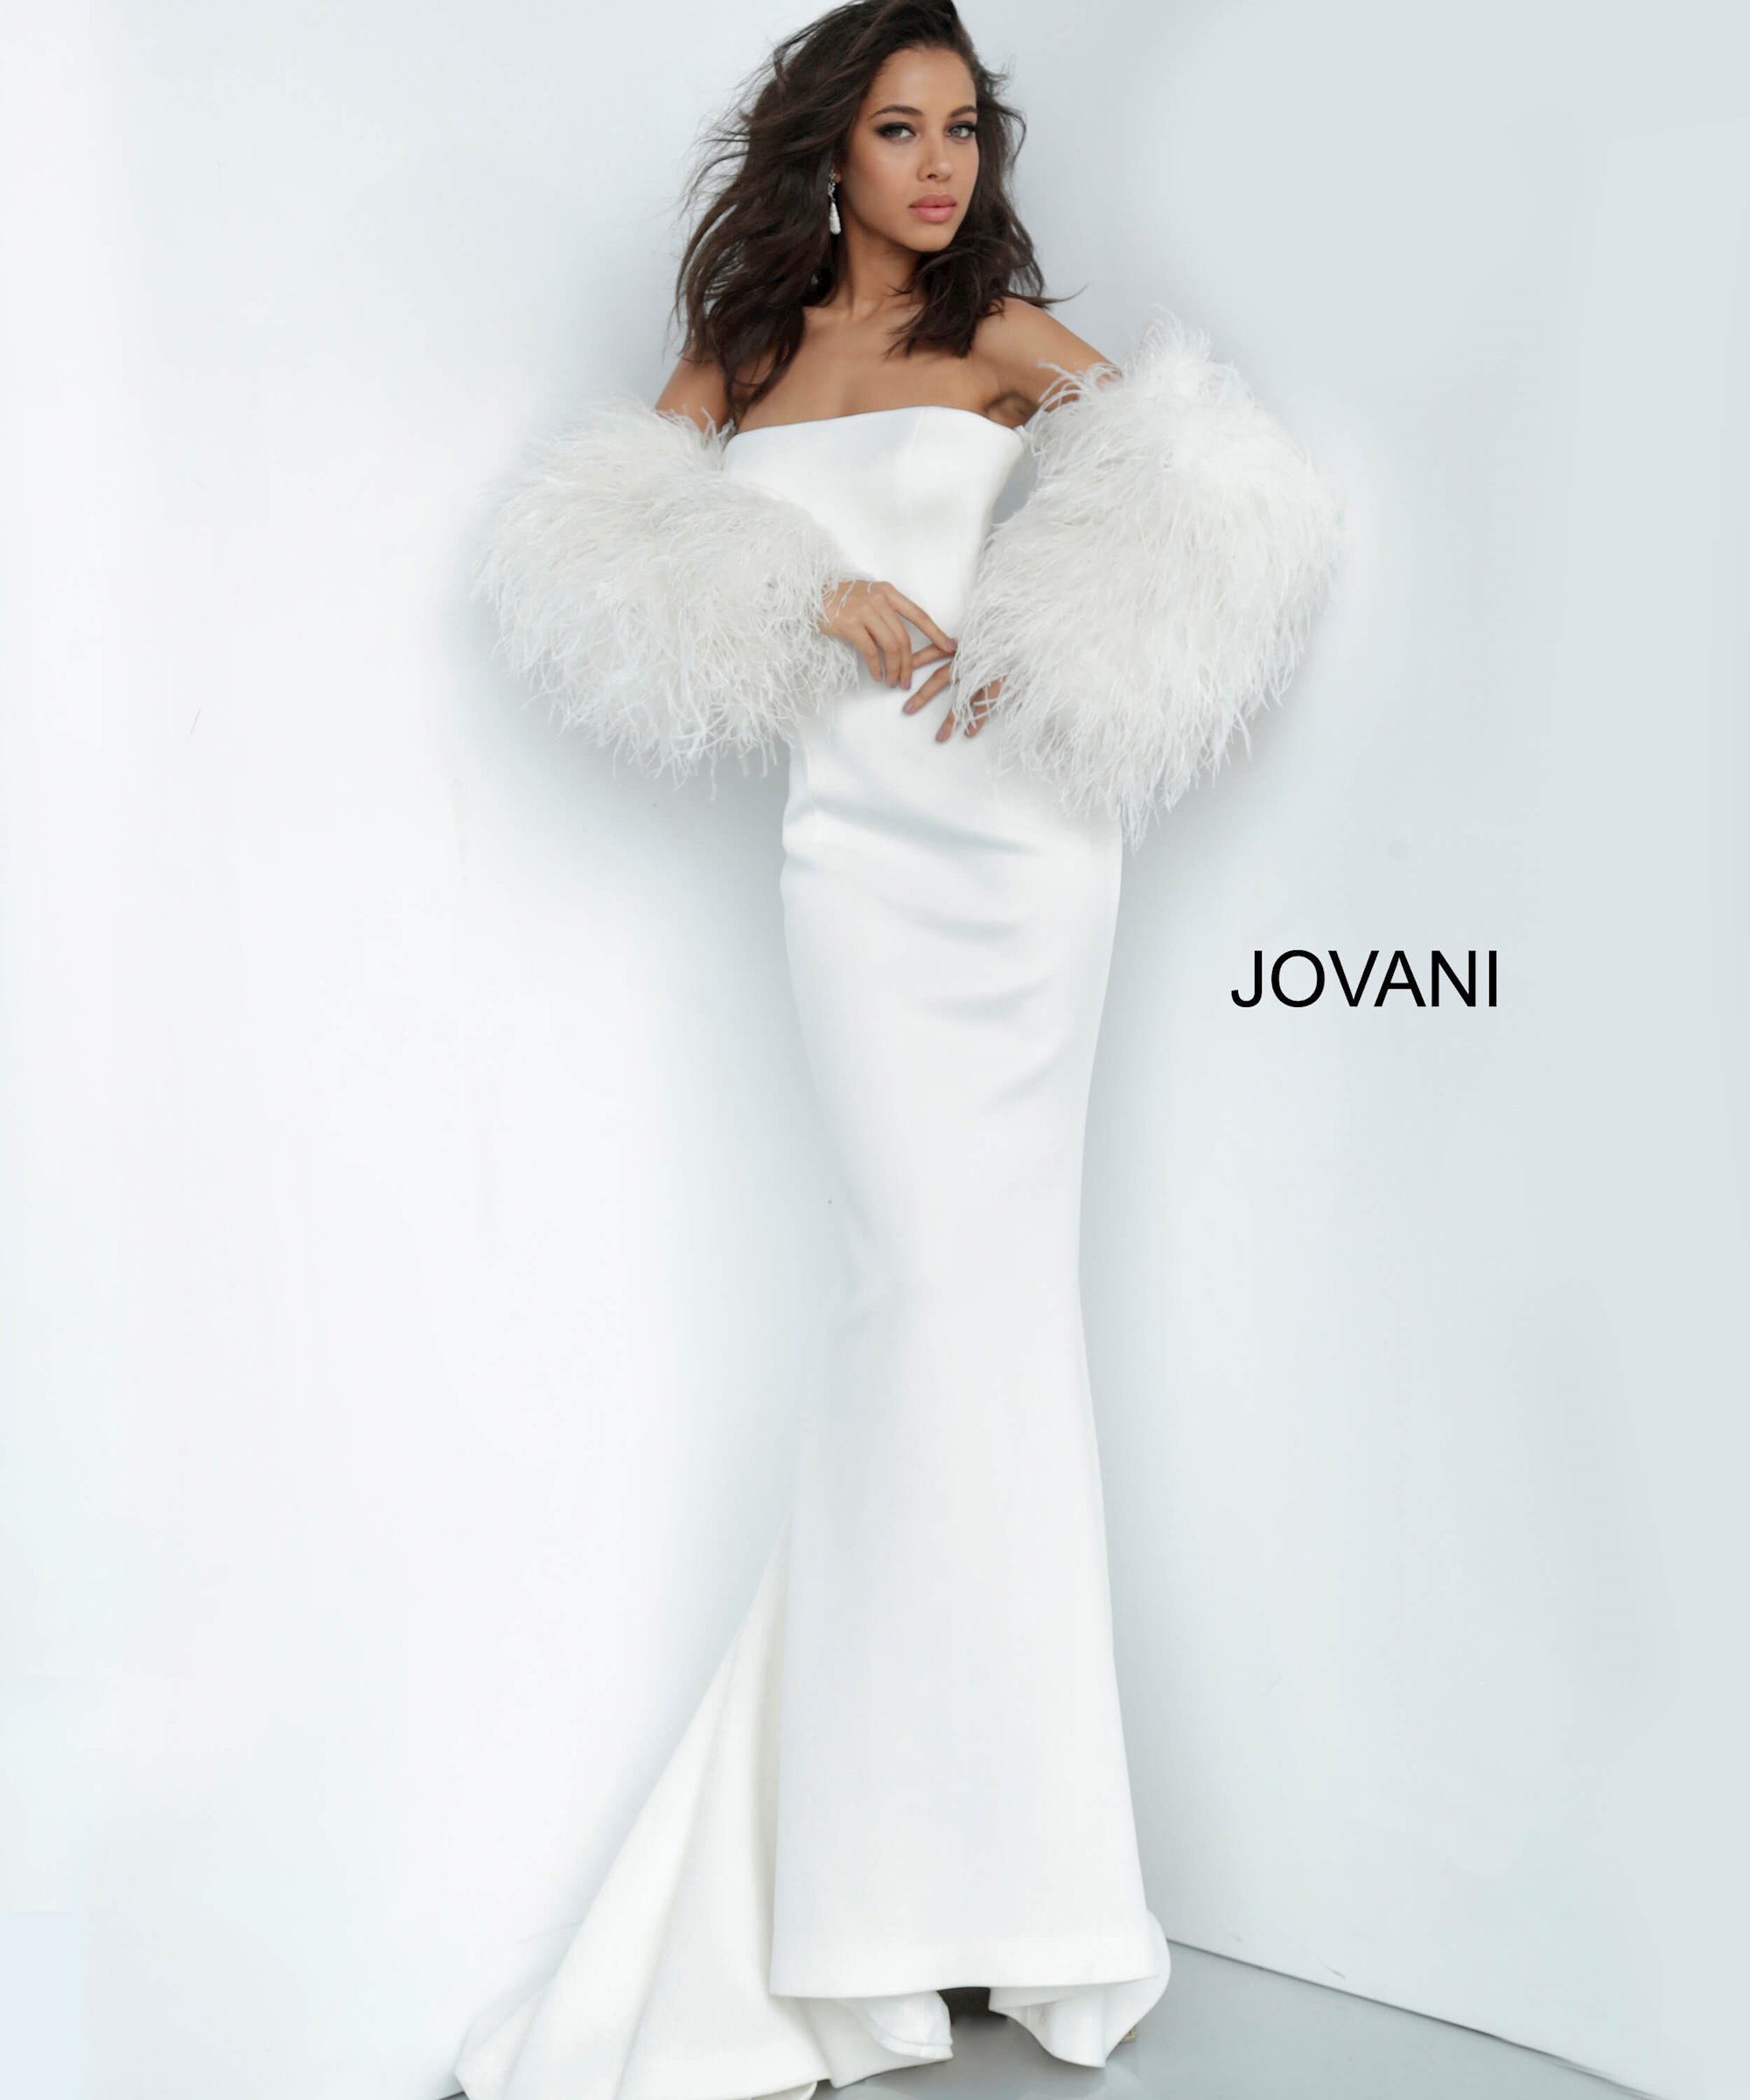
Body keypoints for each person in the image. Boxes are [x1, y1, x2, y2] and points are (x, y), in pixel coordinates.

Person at [455, 5, 1344, 2096]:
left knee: (991, 1323)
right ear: (825, 152)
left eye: (963, 130)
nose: (939, 165)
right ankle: (879, 1896)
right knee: (911, 1310)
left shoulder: (1001, 336)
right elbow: (598, 544)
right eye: (898, 127)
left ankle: (1016, 1902)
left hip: (1023, 865)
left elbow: (1223, 500)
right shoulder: (744, 359)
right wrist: (804, 596)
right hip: (853, 870)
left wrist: (1057, 632)